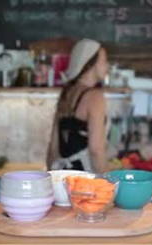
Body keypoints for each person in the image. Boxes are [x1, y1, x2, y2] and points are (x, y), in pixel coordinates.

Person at [46, 39, 109, 173]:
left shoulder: (67, 93)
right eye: (104, 61)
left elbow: (53, 148)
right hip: (85, 180)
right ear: (90, 64)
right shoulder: (95, 97)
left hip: (64, 177)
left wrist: (51, 177)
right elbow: (96, 149)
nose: (107, 66)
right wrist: (107, 182)